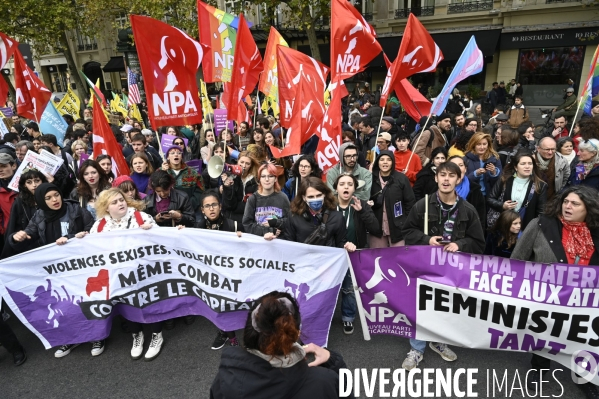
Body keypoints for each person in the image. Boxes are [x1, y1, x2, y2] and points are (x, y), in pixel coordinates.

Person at [510, 185, 599, 399]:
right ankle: (539, 371)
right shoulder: (541, 225)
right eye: (566, 201)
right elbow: (517, 260)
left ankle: (585, 377)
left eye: (575, 204)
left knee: (584, 339)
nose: (568, 206)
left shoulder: (595, 231)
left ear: (589, 208)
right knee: (544, 336)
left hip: (584, 301)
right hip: (545, 299)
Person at [402, 162, 485, 370]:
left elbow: (479, 243)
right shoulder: (423, 204)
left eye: (451, 176)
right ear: (436, 178)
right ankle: (417, 349)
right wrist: (426, 239)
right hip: (424, 267)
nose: (446, 179)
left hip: (452, 271)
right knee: (420, 308)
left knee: (443, 308)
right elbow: (408, 231)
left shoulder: (468, 210)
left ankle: (438, 341)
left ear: (458, 180)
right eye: (442, 175)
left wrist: (460, 244)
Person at [75, 188, 165, 360]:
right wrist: (78, 240)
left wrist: (152, 231)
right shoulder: (99, 226)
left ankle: (156, 334)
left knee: (150, 301)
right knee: (127, 305)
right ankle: (137, 335)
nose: (120, 203)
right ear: (106, 208)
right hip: (119, 277)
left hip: (144, 273)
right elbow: (91, 251)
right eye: (114, 202)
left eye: (121, 200)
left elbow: (161, 241)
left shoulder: (141, 217)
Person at [9, 183, 95, 357]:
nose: (54, 200)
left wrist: (71, 238)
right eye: (48, 198)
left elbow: (92, 232)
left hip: (79, 266)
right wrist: (17, 237)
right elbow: (29, 236)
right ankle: (72, 338)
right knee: (65, 304)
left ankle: (97, 336)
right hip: (56, 270)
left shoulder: (77, 211)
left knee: (86, 301)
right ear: (41, 200)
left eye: (56, 195)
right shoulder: (39, 216)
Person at [210, 291, 349, 398]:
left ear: (248, 330)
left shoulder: (224, 380)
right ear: (296, 333)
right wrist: (334, 360)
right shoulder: (324, 381)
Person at [195, 191, 243, 349]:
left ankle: (235, 330)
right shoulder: (198, 228)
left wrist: (242, 238)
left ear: (220, 206)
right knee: (217, 303)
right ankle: (227, 333)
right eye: (207, 206)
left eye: (214, 204)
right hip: (211, 273)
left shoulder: (234, 224)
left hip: (231, 272)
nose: (211, 208)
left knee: (232, 303)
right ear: (202, 210)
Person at [333, 174, 380, 334]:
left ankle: (348, 317)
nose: (346, 187)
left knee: (349, 288)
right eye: (342, 184)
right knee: (330, 288)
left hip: (353, 254)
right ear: (336, 188)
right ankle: (326, 317)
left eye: (349, 184)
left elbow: (375, 229)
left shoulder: (361, 204)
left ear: (354, 188)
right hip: (332, 255)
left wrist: (363, 212)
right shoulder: (329, 206)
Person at [487, 150, 547, 232]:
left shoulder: (540, 185)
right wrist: (502, 206)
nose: (527, 166)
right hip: (505, 227)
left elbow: (541, 211)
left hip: (526, 229)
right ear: (515, 167)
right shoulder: (505, 180)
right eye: (523, 164)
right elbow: (490, 199)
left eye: (530, 163)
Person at [369, 150, 415, 248]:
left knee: (399, 259)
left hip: (398, 228)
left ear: (393, 162)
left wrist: (405, 222)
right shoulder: (370, 179)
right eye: (382, 159)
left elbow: (410, 203)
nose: (385, 162)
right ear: (377, 162)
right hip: (377, 229)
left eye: (388, 160)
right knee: (377, 259)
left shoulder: (401, 179)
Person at [2, 169, 47, 258]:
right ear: (24, 185)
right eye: (29, 182)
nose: (34, 185)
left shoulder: (50, 196)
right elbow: (13, 226)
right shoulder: (19, 201)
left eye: (37, 181)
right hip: (29, 246)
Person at [242, 163, 290, 239]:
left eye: (270, 176)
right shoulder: (252, 199)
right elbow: (247, 224)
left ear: (276, 179)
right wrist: (268, 230)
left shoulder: (283, 198)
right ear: (259, 179)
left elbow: (290, 222)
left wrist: (276, 222)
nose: (267, 179)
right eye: (263, 176)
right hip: (259, 244)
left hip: (279, 243)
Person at [448, 155, 486, 231]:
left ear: (465, 169)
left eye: (461, 165)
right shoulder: (437, 190)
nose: (457, 168)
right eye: (454, 165)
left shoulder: (475, 191)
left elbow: (480, 220)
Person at [221, 151, 260, 225]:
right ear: (237, 161)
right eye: (241, 162)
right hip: (232, 220)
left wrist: (238, 207)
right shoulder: (231, 177)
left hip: (250, 219)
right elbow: (228, 205)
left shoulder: (255, 181)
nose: (244, 166)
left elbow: (254, 205)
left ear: (251, 165)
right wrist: (228, 187)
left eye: (247, 163)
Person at [162, 146, 204, 211]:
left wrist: (187, 206)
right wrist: (163, 172)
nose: (176, 154)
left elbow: (200, 192)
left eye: (179, 153)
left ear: (182, 156)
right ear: (167, 157)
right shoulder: (161, 171)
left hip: (189, 210)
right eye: (172, 153)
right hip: (167, 210)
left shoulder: (193, 172)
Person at [464, 133, 501, 197]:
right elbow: (463, 180)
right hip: (471, 195)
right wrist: (476, 173)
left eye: (484, 144)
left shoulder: (495, 158)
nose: (482, 147)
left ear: (488, 145)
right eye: (478, 144)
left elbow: (499, 181)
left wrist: (494, 173)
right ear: (473, 145)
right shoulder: (466, 159)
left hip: (489, 195)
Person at [535, 137, 570, 201]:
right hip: (533, 199)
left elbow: (566, 178)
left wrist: (559, 193)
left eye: (553, 149)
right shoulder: (531, 161)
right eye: (547, 149)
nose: (550, 152)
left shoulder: (562, 161)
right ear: (538, 149)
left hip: (552, 199)